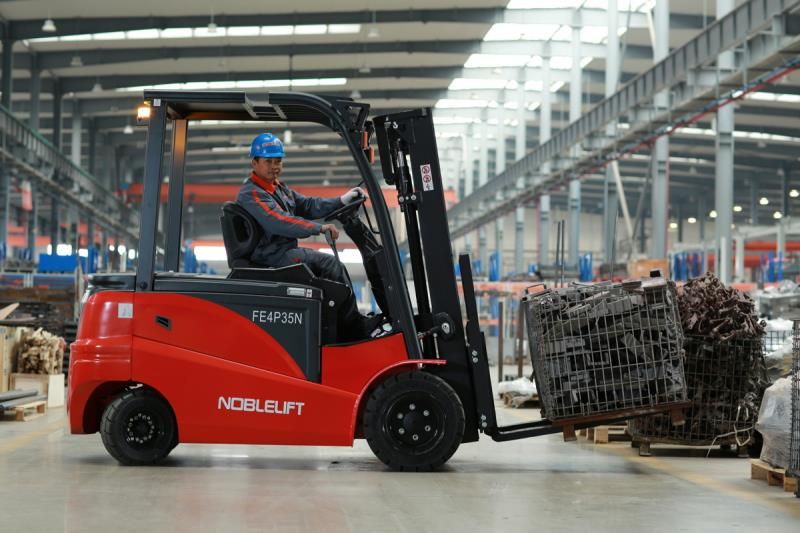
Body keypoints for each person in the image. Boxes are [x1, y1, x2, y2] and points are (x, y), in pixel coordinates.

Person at [236, 133, 374, 340]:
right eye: (268, 161)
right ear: (254, 163)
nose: (274, 166)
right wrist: (318, 228)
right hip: (270, 257)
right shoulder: (252, 193)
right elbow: (279, 221)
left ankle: (338, 326)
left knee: (328, 271)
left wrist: (341, 200)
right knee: (330, 265)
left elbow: (308, 205)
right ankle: (353, 329)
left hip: (283, 252)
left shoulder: (278, 189)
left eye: (278, 161)